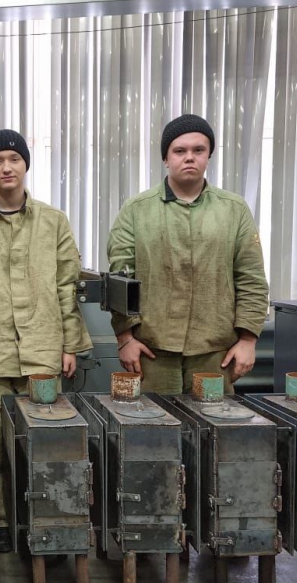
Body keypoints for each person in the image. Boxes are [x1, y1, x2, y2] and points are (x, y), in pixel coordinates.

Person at [0, 129, 93, 553]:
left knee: (47, 446)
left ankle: (46, 521)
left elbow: (67, 287)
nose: (6, 167)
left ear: (26, 164)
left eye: (14, 158)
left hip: (43, 351)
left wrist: (69, 345)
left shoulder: (53, 222)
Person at [107, 113, 269, 395]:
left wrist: (248, 340)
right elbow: (120, 278)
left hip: (216, 352)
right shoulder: (136, 210)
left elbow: (251, 278)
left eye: (198, 150)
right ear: (166, 158)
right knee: (153, 422)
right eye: (180, 151)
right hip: (151, 352)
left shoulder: (234, 210)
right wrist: (125, 338)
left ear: (209, 156)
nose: (189, 158)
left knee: (212, 421)